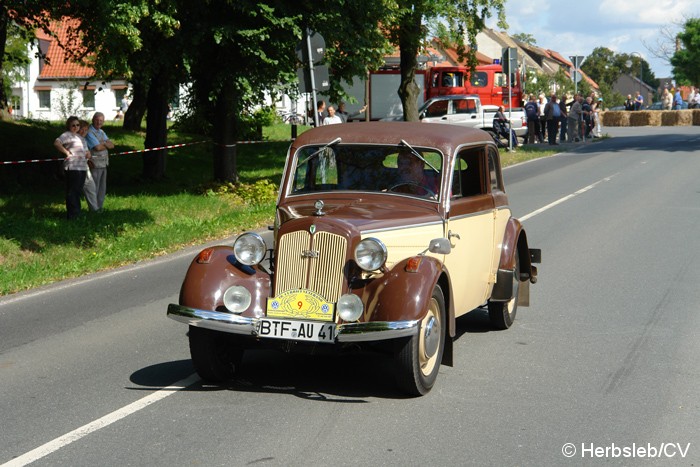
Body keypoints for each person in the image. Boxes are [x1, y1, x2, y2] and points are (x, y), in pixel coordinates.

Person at [54, 116, 89, 220]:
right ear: (69, 126)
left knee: (77, 191)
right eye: (73, 125)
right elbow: (57, 143)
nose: (76, 127)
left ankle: (77, 214)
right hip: (73, 167)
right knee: (72, 191)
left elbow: (87, 152)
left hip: (82, 167)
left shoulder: (81, 138)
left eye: (77, 125)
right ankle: (73, 216)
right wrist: (66, 152)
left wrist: (88, 154)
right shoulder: (67, 135)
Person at [85, 112, 114, 211]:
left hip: (103, 163)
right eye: (97, 120)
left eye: (101, 120)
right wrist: (105, 143)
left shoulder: (101, 132)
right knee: (94, 187)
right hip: (95, 163)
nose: (99, 122)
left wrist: (103, 143)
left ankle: (99, 208)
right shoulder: (89, 132)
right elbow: (97, 148)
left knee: (102, 188)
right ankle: (94, 209)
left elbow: (112, 145)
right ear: (93, 120)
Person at [78, 120, 99, 212]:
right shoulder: (74, 139)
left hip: (85, 167)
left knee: (91, 187)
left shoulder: (84, 140)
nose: (84, 132)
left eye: (86, 130)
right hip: (76, 168)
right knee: (75, 191)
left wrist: (88, 157)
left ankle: (95, 210)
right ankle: (75, 212)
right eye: (82, 129)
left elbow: (87, 153)